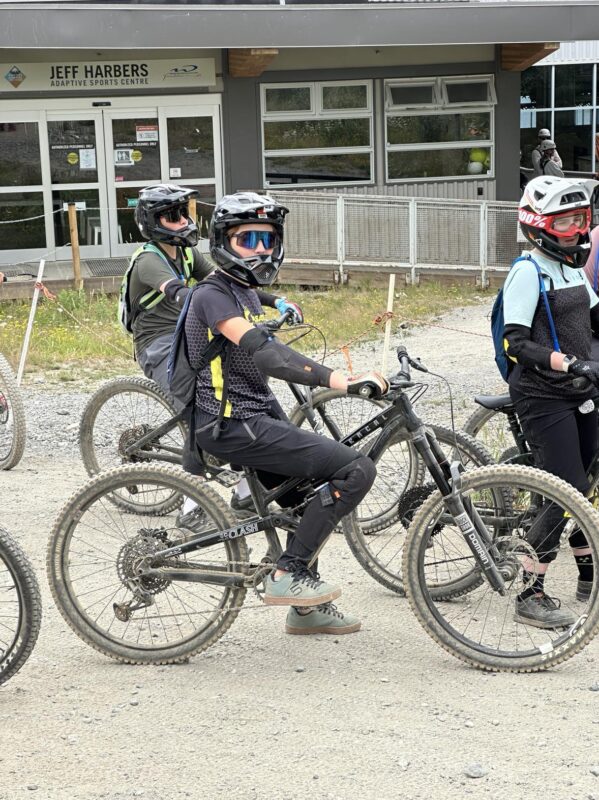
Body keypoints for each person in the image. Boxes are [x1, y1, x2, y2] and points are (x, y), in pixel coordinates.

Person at [183, 191, 388, 635]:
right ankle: (287, 574)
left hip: (253, 415)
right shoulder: (212, 295)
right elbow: (269, 356)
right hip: (230, 423)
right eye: (247, 238)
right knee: (355, 470)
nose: (260, 248)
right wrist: (342, 380)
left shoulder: (246, 292)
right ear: (222, 241)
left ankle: (304, 606)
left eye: (267, 239)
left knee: (306, 500)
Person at [130, 184, 302, 512]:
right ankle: (192, 507)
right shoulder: (148, 261)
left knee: (240, 392)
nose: (181, 220)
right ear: (152, 220)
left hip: (195, 332)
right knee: (204, 400)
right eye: (171, 215)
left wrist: (275, 301)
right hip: (159, 344)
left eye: (183, 213)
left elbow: (228, 282)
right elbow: (189, 296)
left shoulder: (186, 253)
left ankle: (245, 492)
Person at [502, 175, 599, 629]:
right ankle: (529, 591)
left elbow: (594, 318)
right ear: (539, 225)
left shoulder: (570, 266)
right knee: (565, 491)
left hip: (581, 391)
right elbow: (516, 343)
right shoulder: (528, 271)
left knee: (586, 483)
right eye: (565, 221)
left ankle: (586, 575)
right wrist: (570, 363)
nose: (577, 229)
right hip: (543, 394)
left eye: (581, 218)